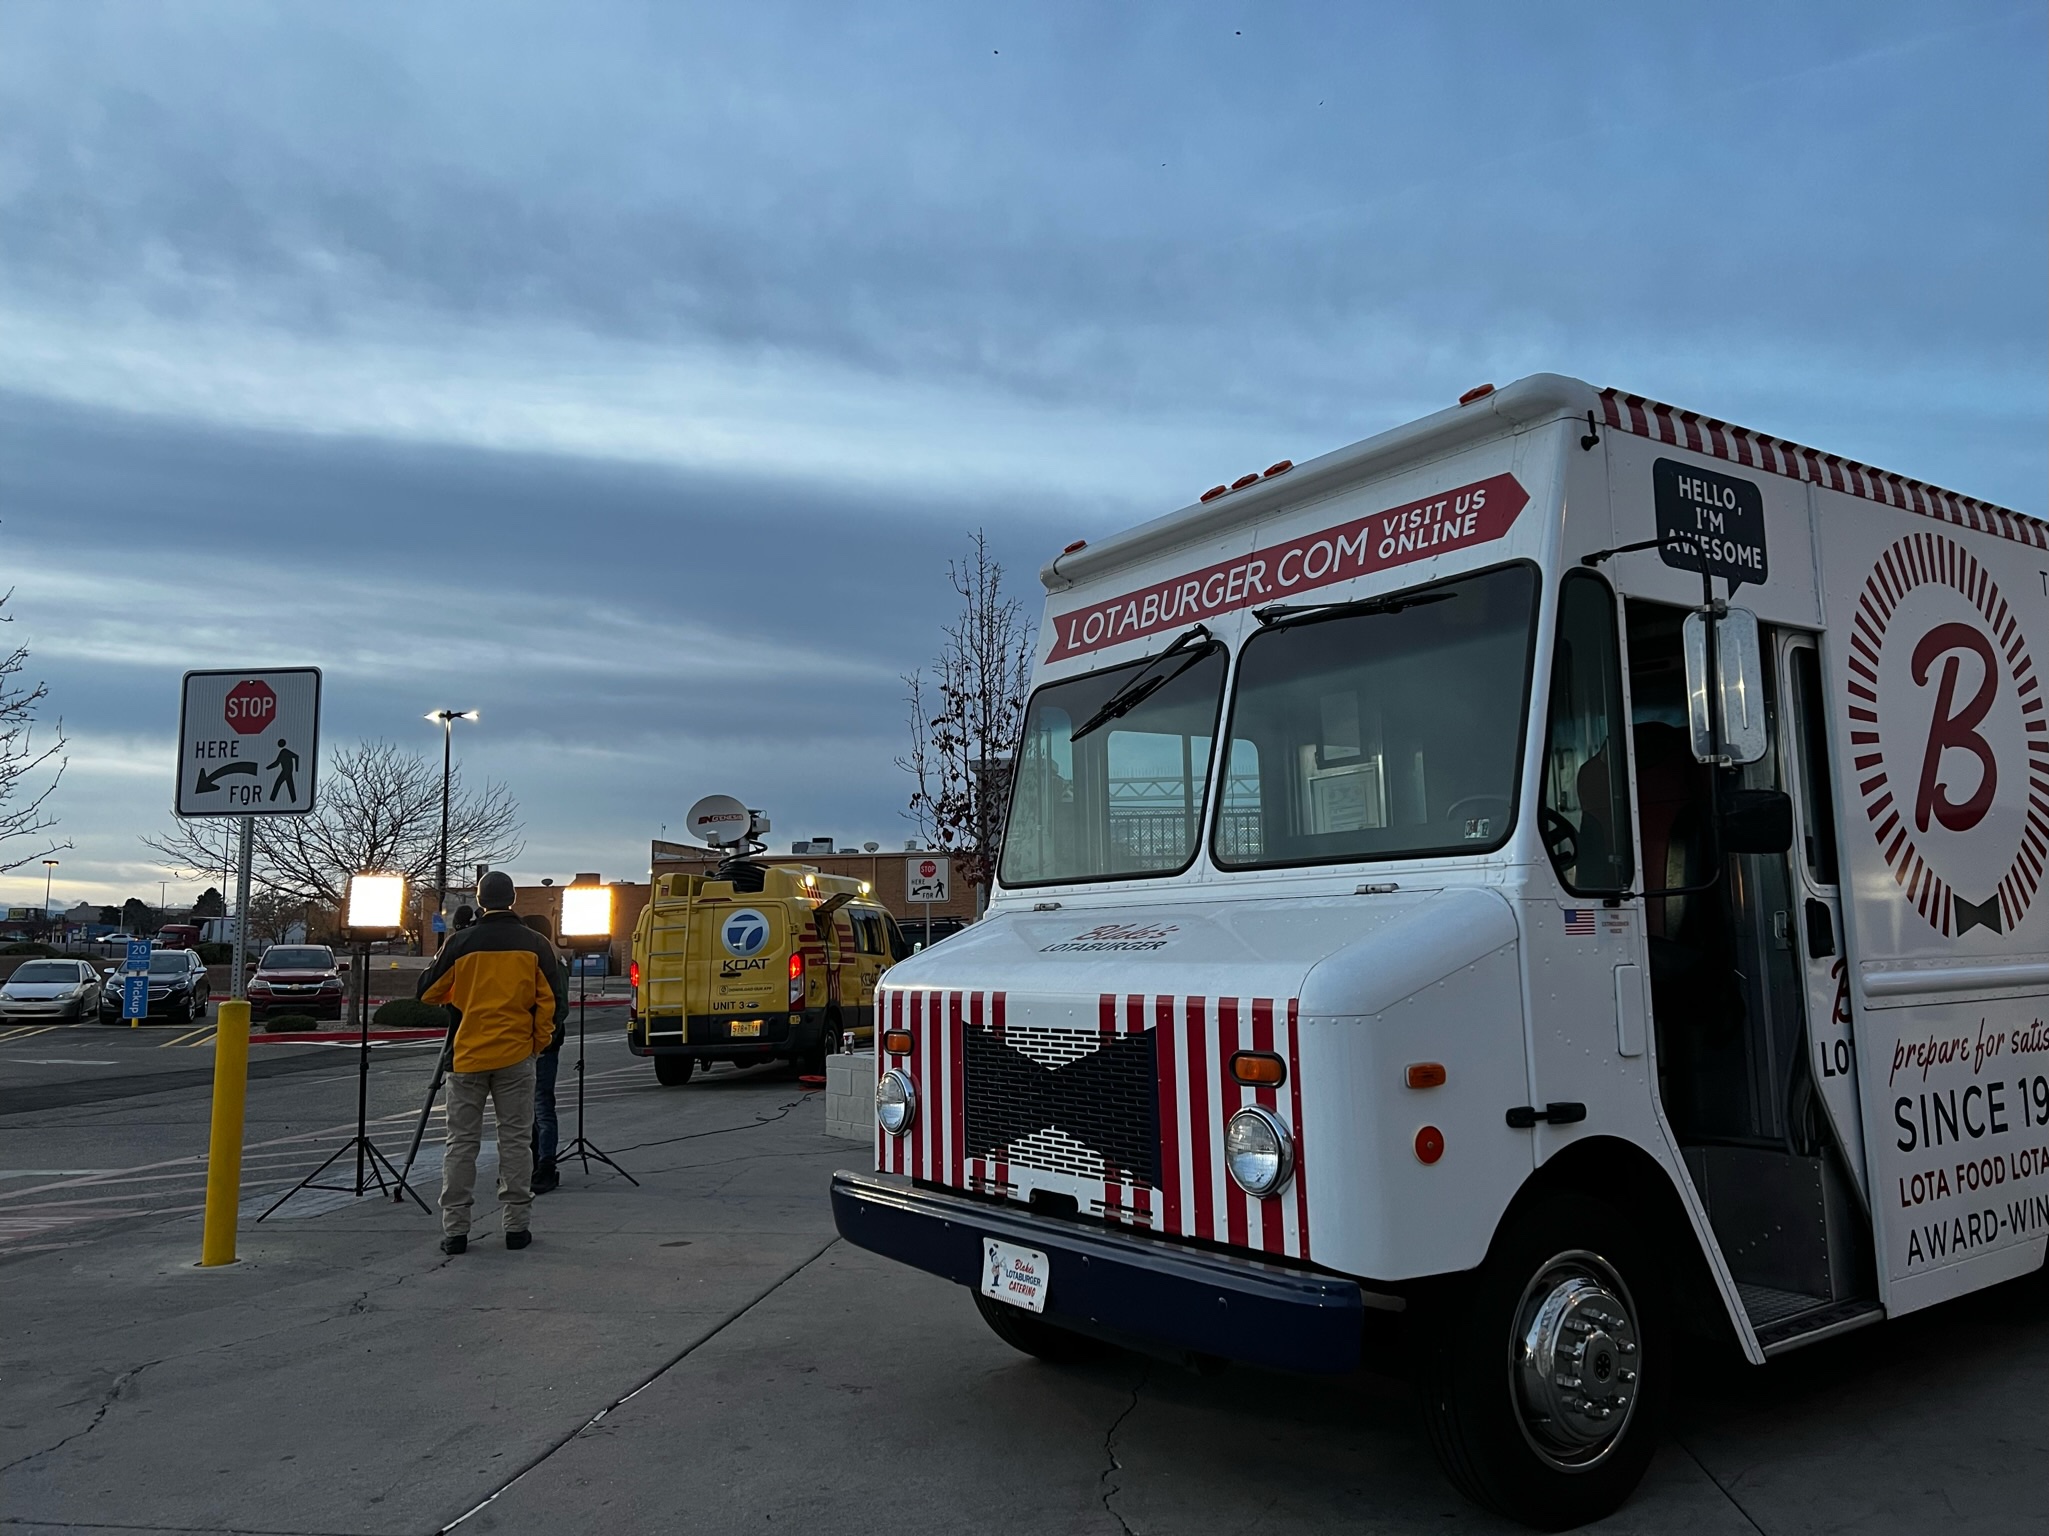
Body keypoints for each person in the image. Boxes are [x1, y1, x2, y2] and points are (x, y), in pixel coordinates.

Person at [416, 872, 567, 1254]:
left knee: (461, 1144)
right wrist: (537, 1043)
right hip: (516, 1055)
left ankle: (455, 1231)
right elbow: (553, 1003)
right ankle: (516, 1226)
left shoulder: (460, 943)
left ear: (480, 900)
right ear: (513, 899)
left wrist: (461, 993)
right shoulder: (536, 945)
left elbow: (428, 991)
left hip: (467, 1057)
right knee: (516, 1141)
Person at [520, 912, 566, 1193]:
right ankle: (530, 1162)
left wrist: (542, 1037)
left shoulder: (550, 964)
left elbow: (559, 1008)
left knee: (541, 1106)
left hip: (543, 1045)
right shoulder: (545, 961)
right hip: (531, 1043)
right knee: (528, 1108)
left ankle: (546, 1164)